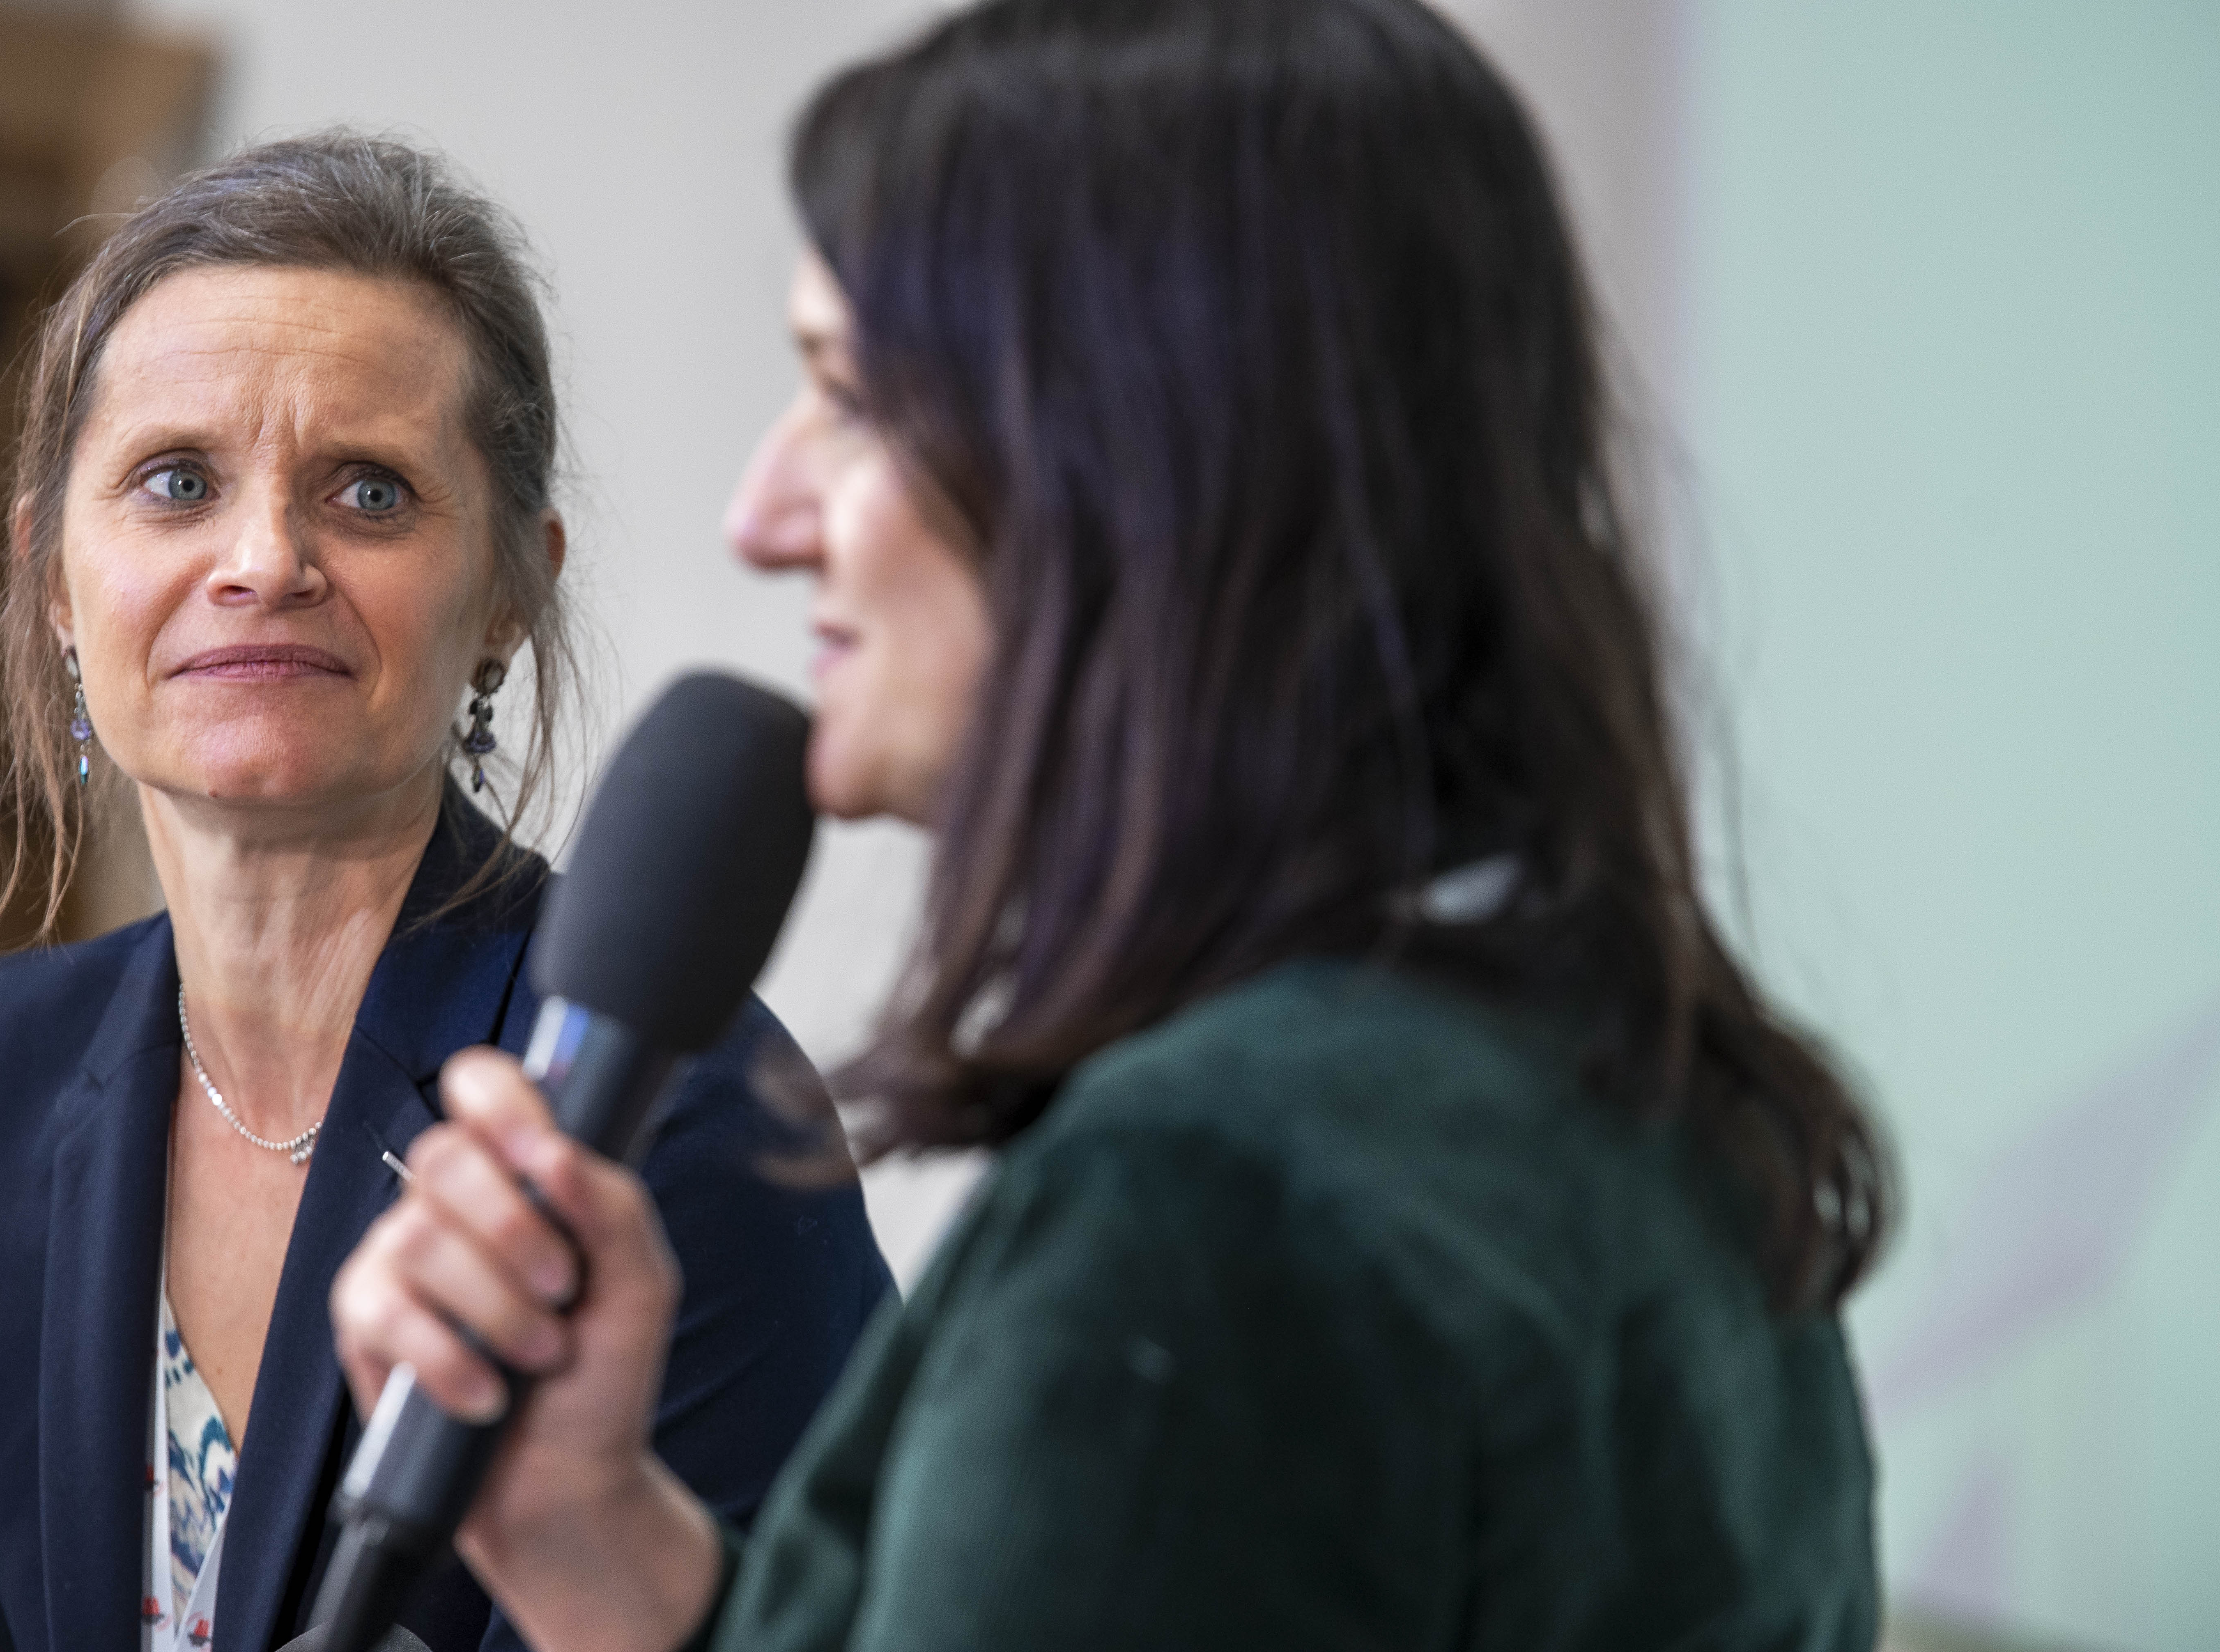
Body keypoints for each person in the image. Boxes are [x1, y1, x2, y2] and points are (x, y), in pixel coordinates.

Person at [329, 2, 1895, 1648]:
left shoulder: (1212, 1213)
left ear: (1144, 458)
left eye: (849, 396)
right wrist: (586, 1529)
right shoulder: (1645, 1087)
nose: (765, 514)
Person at [0, 135, 894, 1652]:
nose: (263, 559)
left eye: (369, 490)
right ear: (56, 583)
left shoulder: (675, 1112)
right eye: (176, 482)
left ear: (510, 592)